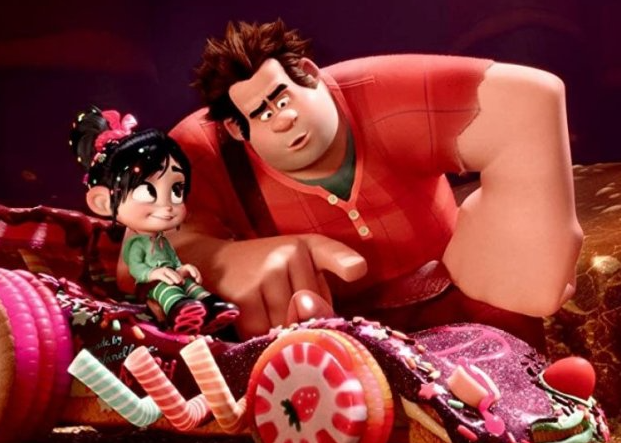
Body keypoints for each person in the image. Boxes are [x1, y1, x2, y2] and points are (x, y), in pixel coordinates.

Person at [165, 20, 582, 351]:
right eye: (261, 114)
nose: (283, 120)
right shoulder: (202, 151)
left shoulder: (381, 96)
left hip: (456, 296)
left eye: (283, 99)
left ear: (308, 74)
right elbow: (140, 245)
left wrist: (525, 233)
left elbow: (530, 98)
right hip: (332, 340)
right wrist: (218, 260)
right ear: (235, 129)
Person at [71, 107, 239, 335]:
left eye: (176, 191)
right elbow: (137, 268)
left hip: (171, 275)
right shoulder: (136, 243)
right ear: (103, 202)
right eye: (148, 191)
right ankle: (179, 309)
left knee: (189, 285)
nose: (167, 205)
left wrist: (181, 268)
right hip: (149, 285)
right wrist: (153, 274)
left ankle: (211, 306)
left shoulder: (161, 240)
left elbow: (172, 259)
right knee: (166, 290)